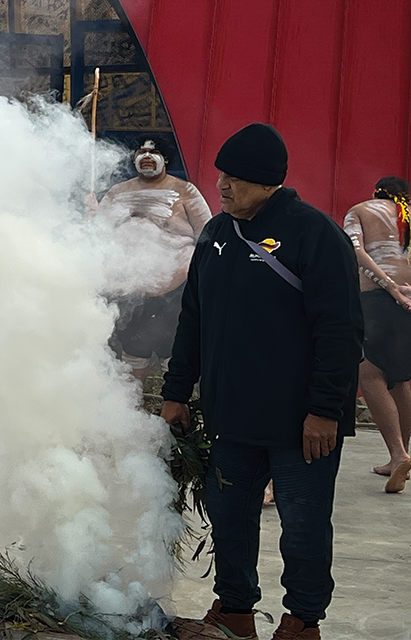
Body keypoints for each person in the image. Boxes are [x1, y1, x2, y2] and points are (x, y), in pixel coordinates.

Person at [161, 123, 362, 640]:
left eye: (237, 178)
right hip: (232, 417)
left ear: (270, 182)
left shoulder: (313, 234)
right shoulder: (215, 234)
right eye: (222, 176)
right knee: (230, 519)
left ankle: (302, 620)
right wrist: (176, 392)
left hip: (303, 424)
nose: (224, 186)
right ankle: (234, 611)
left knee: (302, 526)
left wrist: (325, 409)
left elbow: (340, 332)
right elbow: (193, 318)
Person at [91, 138, 212, 380]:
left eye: (153, 151)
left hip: (174, 289)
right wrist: (92, 212)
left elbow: (207, 237)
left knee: (173, 349)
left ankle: (173, 404)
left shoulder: (185, 191)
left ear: (165, 158)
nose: (147, 155)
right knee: (133, 348)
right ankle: (134, 407)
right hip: (128, 289)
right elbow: (97, 233)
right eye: (141, 151)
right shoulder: (117, 192)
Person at [343, 176, 411, 492]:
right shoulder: (407, 214)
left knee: (369, 374)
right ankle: (400, 455)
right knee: (402, 377)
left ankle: (398, 454)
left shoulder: (360, 210)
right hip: (408, 300)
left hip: (377, 297)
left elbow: (355, 252)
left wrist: (389, 287)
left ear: (376, 192)